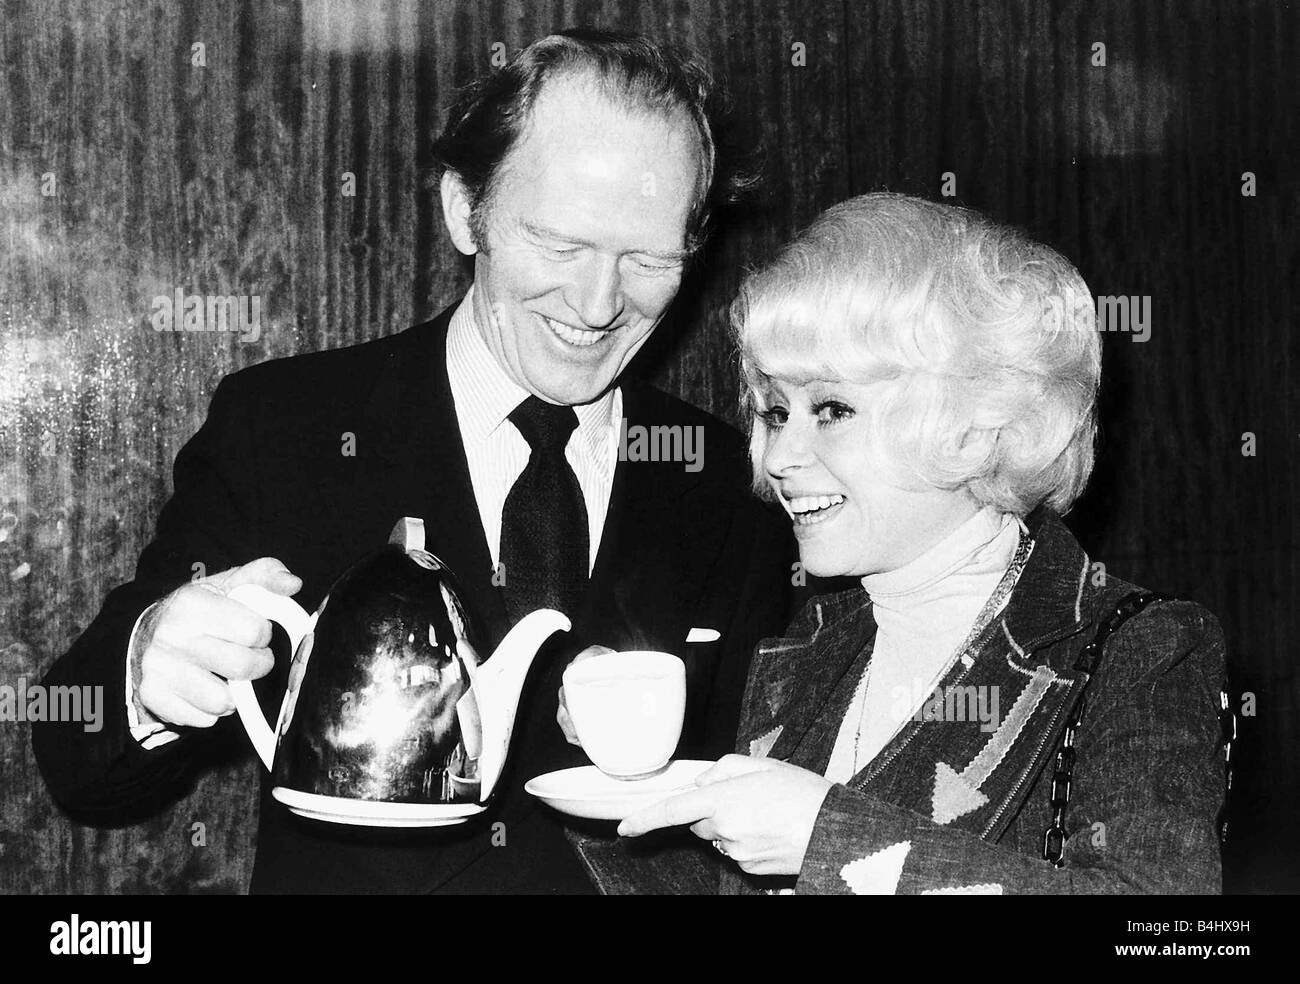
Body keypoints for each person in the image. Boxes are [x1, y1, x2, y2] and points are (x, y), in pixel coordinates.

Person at [31, 30, 798, 894]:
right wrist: (145, 671)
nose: (598, 304)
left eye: (649, 260)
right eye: (561, 245)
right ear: (464, 210)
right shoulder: (286, 427)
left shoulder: (743, 479)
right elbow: (77, 760)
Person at [610, 192, 1230, 893]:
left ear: (975, 426)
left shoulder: (1137, 649)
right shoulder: (815, 645)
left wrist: (830, 838)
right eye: (776, 410)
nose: (781, 453)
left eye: (832, 409)